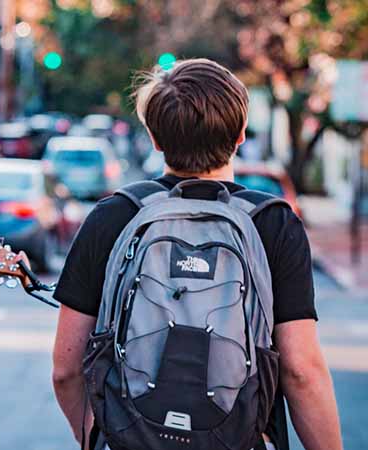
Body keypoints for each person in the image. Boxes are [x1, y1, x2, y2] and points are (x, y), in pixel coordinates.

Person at [52, 59, 342, 450]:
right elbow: (301, 370)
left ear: (155, 139)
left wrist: (99, 438)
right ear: (240, 135)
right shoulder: (272, 223)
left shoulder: (113, 216)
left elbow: (66, 371)